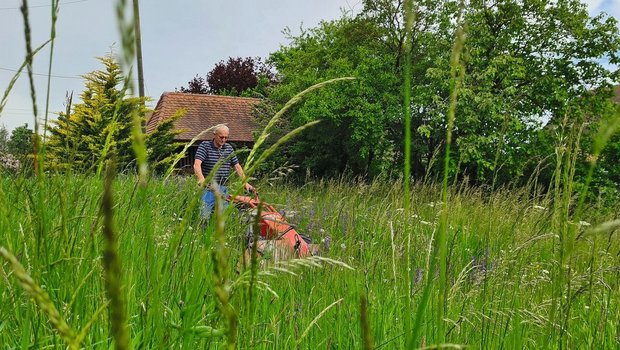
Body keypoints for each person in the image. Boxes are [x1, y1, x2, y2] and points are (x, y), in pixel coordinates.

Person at [193, 124, 253, 219]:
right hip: (208, 188)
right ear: (214, 134)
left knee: (223, 216)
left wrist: (245, 183)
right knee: (205, 215)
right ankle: (202, 231)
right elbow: (197, 164)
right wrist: (201, 180)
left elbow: (237, 166)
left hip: (223, 187)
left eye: (226, 137)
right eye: (221, 137)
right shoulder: (205, 146)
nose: (223, 140)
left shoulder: (228, 148)